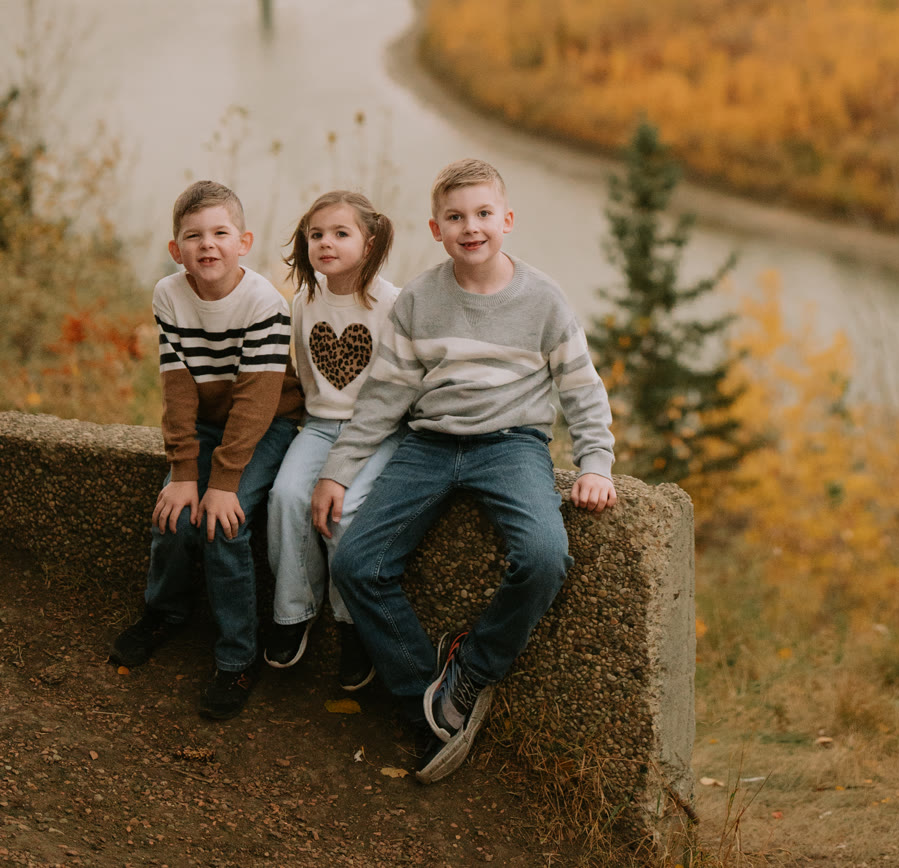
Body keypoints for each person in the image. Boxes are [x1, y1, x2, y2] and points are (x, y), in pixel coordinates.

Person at [311, 156, 616, 785]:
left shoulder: (543, 299)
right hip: (427, 445)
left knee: (543, 553)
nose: (470, 227)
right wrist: (338, 470)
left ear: (506, 220)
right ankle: (428, 695)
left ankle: (471, 669)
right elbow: (386, 395)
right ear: (435, 228)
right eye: (455, 217)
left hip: (512, 447)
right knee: (356, 561)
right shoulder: (421, 299)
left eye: (482, 214)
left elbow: (581, 388)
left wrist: (596, 462)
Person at [109, 179, 303, 719]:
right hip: (211, 427)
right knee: (173, 510)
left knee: (224, 522)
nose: (207, 245)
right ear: (177, 250)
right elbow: (177, 386)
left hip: (265, 427)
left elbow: (257, 403)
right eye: (193, 236)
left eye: (220, 233)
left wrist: (220, 483)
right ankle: (165, 611)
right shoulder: (168, 295)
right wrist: (183, 470)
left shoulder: (265, 302)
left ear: (244, 241)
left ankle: (238, 656)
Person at [262, 188, 401, 691]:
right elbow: (302, 372)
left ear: (369, 241)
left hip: (377, 430)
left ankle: (352, 623)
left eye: (341, 233)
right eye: (317, 233)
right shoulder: (304, 301)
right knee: (287, 496)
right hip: (321, 425)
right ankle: (295, 610)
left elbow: (398, 392)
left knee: (344, 511)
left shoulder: (393, 304)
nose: (326, 242)